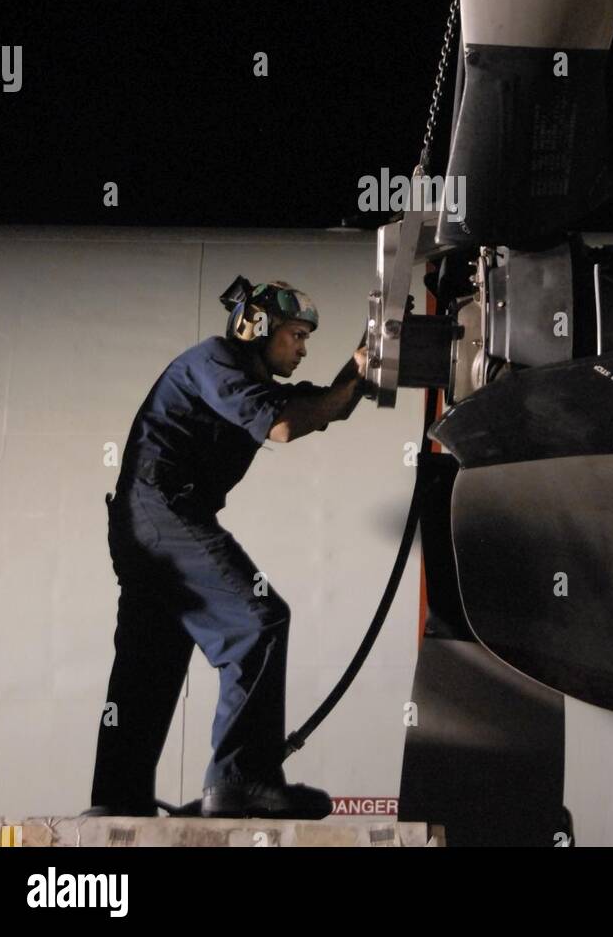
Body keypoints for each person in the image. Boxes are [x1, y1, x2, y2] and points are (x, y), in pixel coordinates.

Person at [85, 277, 369, 821]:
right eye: (296, 335)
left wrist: (367, 360)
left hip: (145, 523)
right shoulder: (215, 360)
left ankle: (115, 800)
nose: (303, 348)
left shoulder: (258, 383)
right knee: (257, 621)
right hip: (160, 510)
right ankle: (242, 780)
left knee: (151, 663)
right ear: (256, 327)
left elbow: (326, 407)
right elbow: (284, 427)